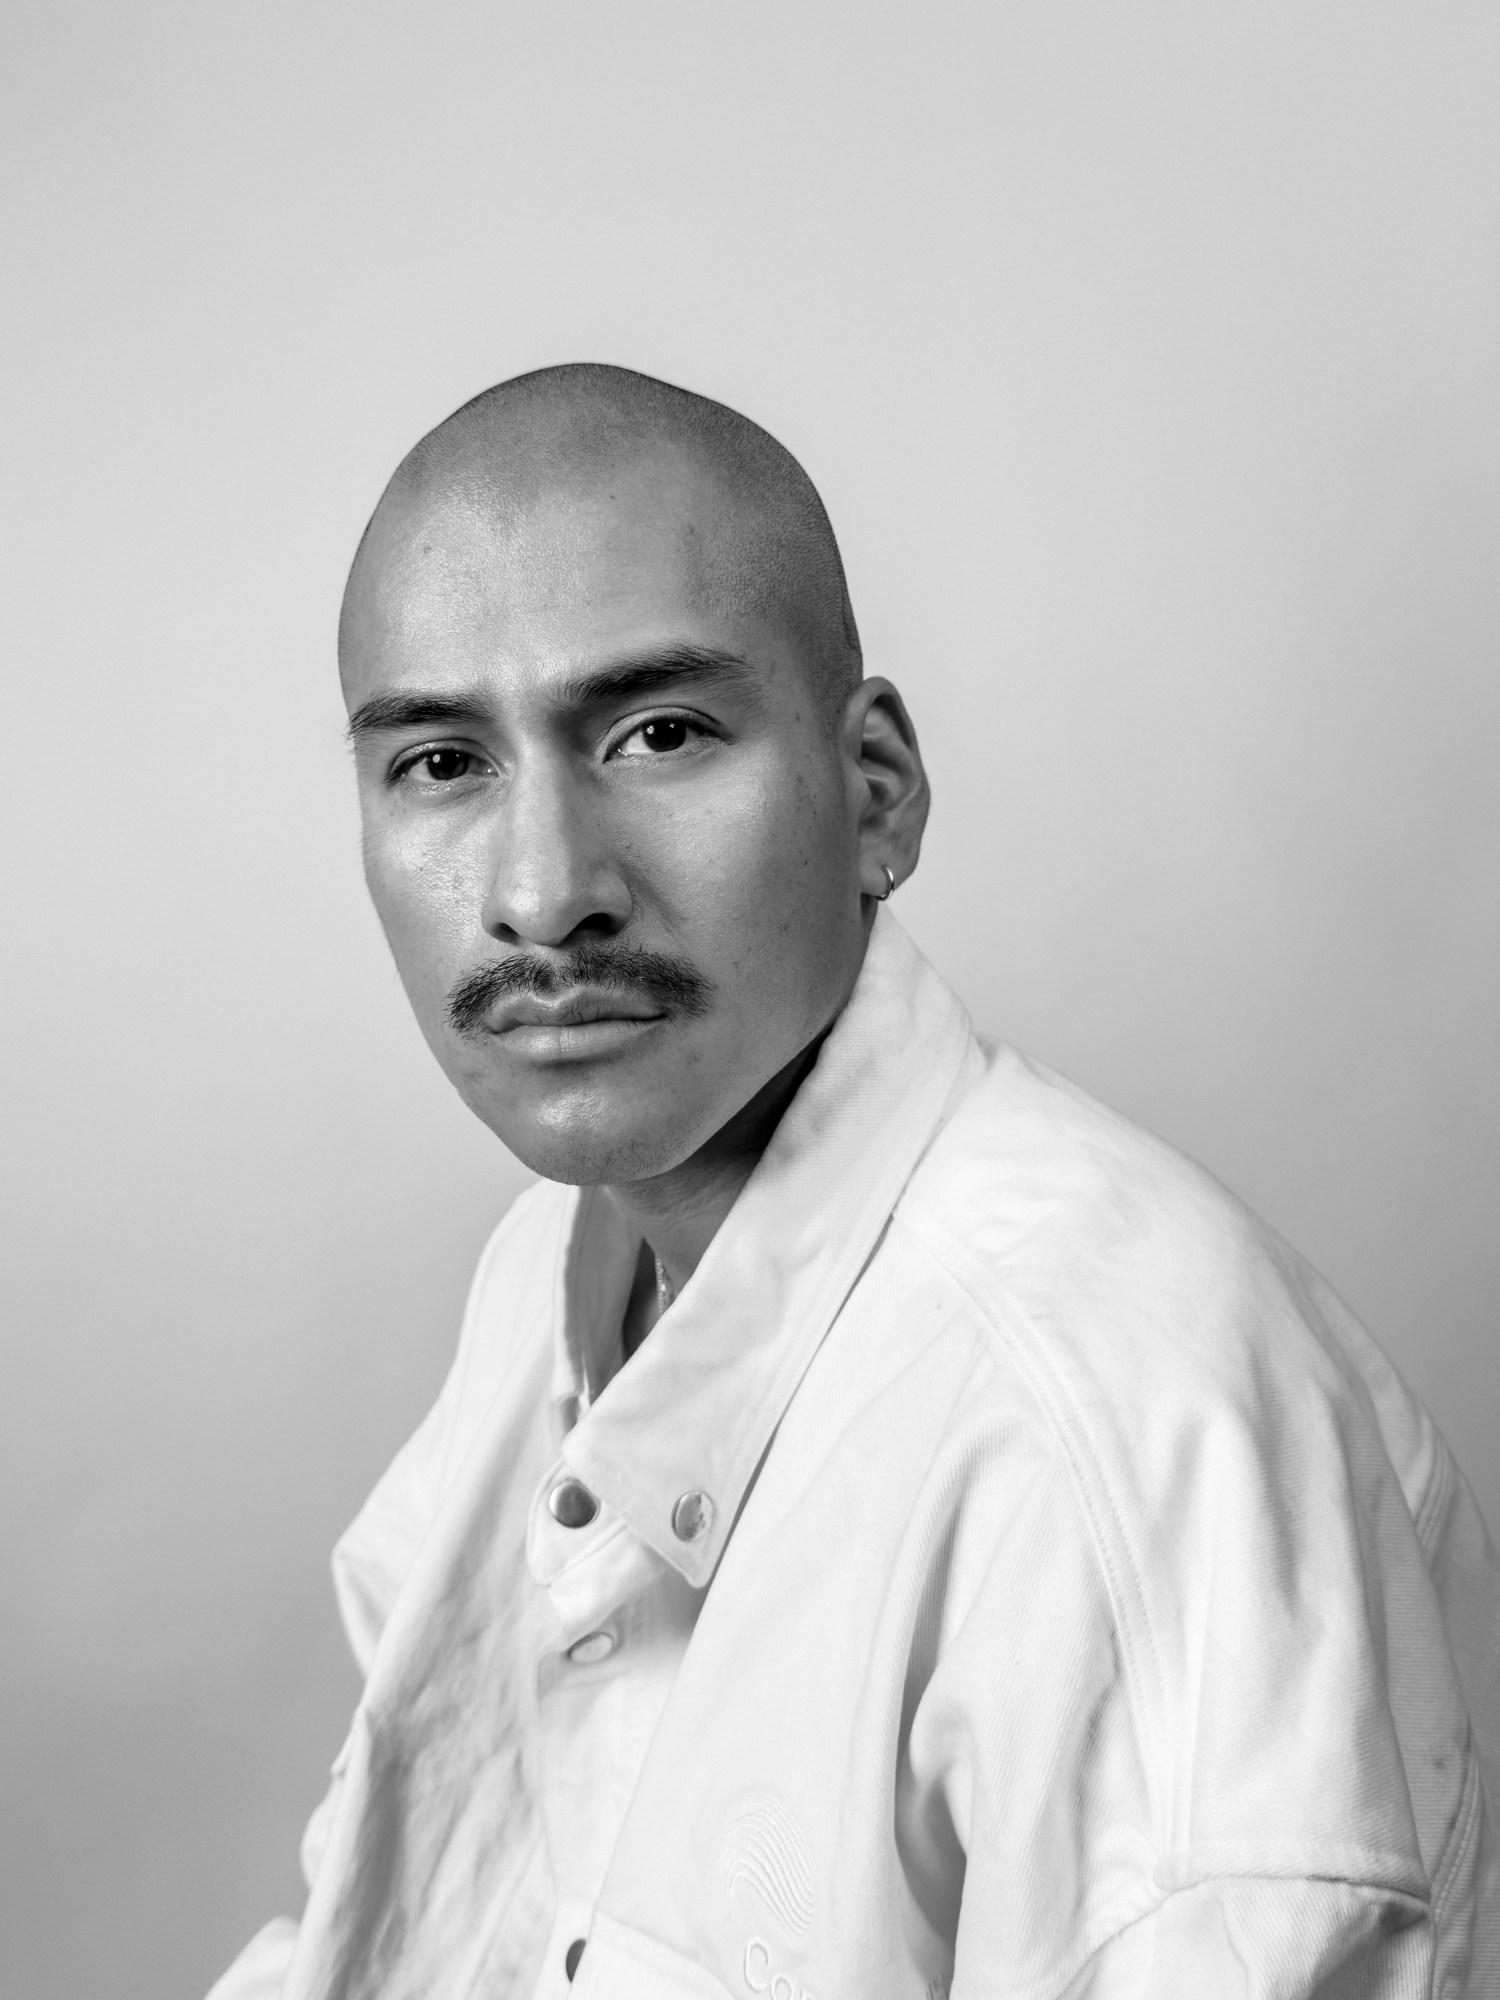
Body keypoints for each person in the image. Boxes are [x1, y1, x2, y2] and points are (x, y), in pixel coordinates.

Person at [209, 363, 1499, 2000]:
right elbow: (405, 1927)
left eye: (657, 733)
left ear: (876, 791)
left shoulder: (1114, 1430)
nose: (542, 896)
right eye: (442, 765)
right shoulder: (558, 1271)